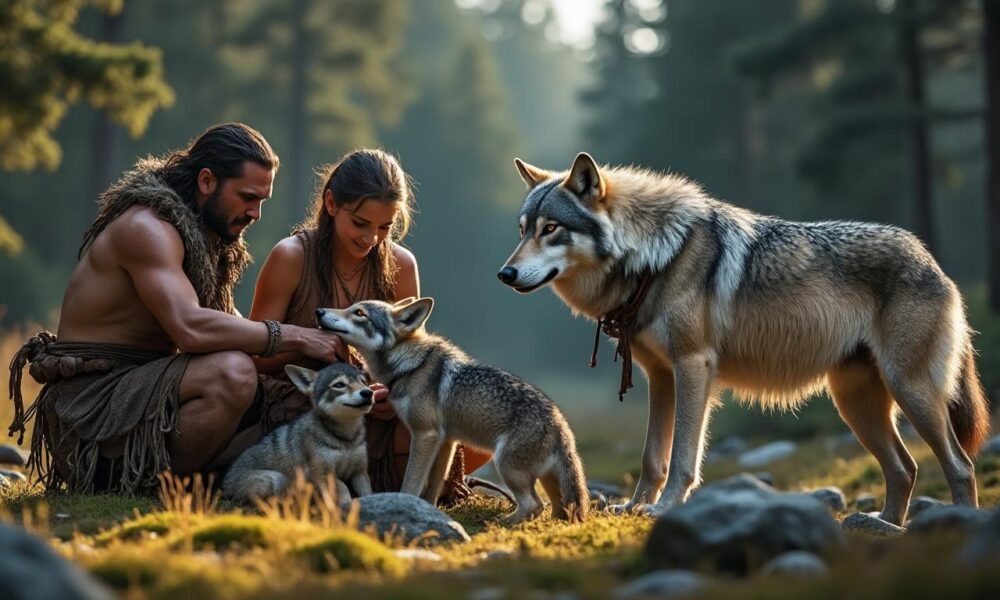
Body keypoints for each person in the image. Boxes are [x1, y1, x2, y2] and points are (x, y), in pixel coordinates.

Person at [8, 123, 344, 494]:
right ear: (206, 181)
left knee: (296, 402)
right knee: (233, 373)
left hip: (149, 396)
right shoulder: (147, 229)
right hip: (94, 412)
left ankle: (213, 484)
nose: (256, 213)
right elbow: (191, 328)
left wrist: (313, 359)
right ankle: (148, 487)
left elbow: (222, 327)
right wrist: (294, 335)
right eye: (248, 197)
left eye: (262, 201)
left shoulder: (203, 236)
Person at [250, 148, 491, 498]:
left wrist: (387, 393)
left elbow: (409, 355)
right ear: (331, 204)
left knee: (480, 433)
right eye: (360, 224)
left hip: (376, 411)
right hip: (306, 407)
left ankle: (381, 488)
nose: (371, 238)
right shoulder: (291, 257)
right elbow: (256, 358)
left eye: (385, 227)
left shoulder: (402, 266)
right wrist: (305, 341)